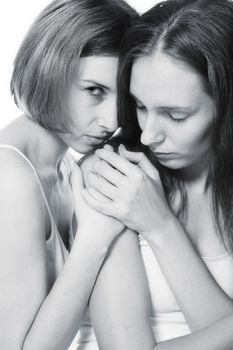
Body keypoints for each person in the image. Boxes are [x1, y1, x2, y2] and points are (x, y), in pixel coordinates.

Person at [81, 0, 233, 349]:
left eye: (176, 116)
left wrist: (161, 226)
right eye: (139, 105)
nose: (148, 135)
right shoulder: (113, 172)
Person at [0, 0, 138, 349]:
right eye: (94, 90)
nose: (111, 121)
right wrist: (94, 240)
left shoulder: (63, 166)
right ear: (49, 69)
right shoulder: (11, 179)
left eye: (122, 99)